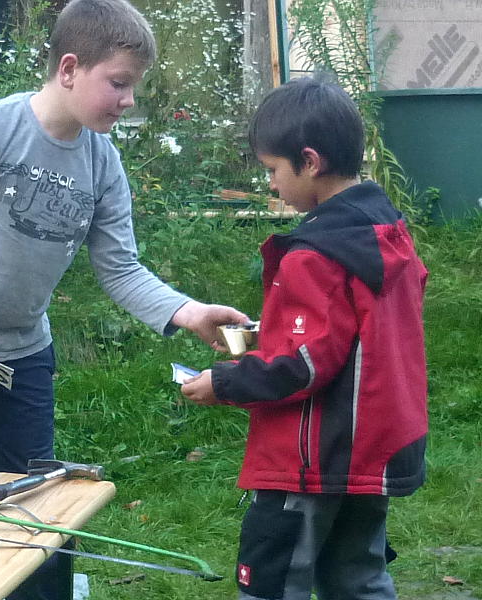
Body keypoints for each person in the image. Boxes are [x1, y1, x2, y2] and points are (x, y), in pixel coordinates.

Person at [0, 0, 246, 597]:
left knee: (38, 504)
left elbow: (121, 268)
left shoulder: (102, 161)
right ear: (71, 68)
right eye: (120, 84)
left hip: (22, 356)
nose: (129, 101)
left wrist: (189, 313)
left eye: (134, 87)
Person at [181, 75, 429, 600]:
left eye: (273, 170)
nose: (271, 184)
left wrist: (224, 382)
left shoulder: (314, 255)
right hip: (370, 453)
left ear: (310, 162)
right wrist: (266, 331)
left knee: (274, 580)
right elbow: (355, 338)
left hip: (309, 460)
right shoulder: (388, 235)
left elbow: (304, 365)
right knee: (357, 578)